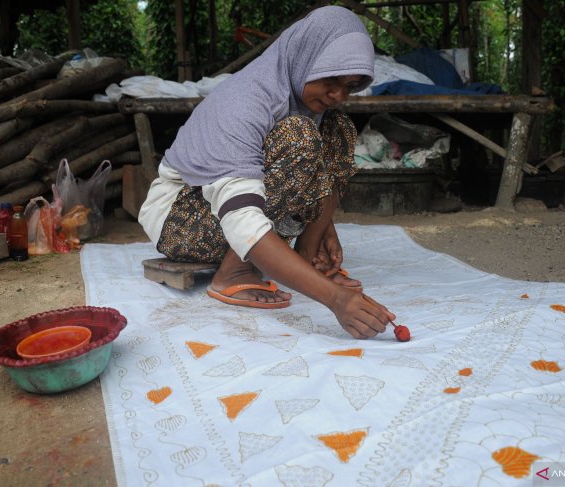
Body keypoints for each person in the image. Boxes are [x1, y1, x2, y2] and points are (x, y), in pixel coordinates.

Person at [139, 6, 395, 339]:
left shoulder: (303, 99)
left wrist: (321, 221)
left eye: (350, 85)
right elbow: (242, 215)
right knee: (299, 136)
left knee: (338, 128)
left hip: (231, 210)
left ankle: (305, 256)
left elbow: (297, 175)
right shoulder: (245, 102)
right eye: (332, 78)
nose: (338, 94)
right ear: (304, 56)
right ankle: (233, 273)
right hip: (179, 220)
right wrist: (335, 298)